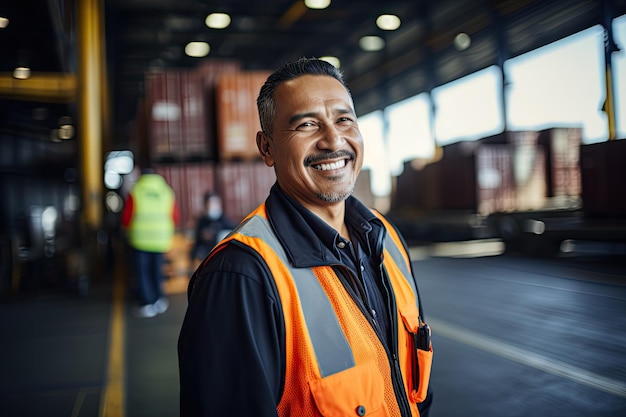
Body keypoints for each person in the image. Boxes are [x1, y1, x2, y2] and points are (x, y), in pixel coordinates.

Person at [178, 58, 433, 416]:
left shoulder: (386, 238)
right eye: (308, 124)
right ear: (266, 148)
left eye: (344, 120)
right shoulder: (241, 275)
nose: (333, 140)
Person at [121, 167, 179, 318]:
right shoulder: (166, 191)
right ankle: (159, 299)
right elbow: (175, 216)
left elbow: (127, 218)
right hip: (160, 239)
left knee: (143, 272)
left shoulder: (136, 191)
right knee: (157, 270)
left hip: (141, 239)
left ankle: (148, 302)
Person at [189, 191, 236, 269]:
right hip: (206, 258)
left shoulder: (225, 221)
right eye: (211, 204)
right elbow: (196, 243)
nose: (213, 206)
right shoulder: (202, 222)